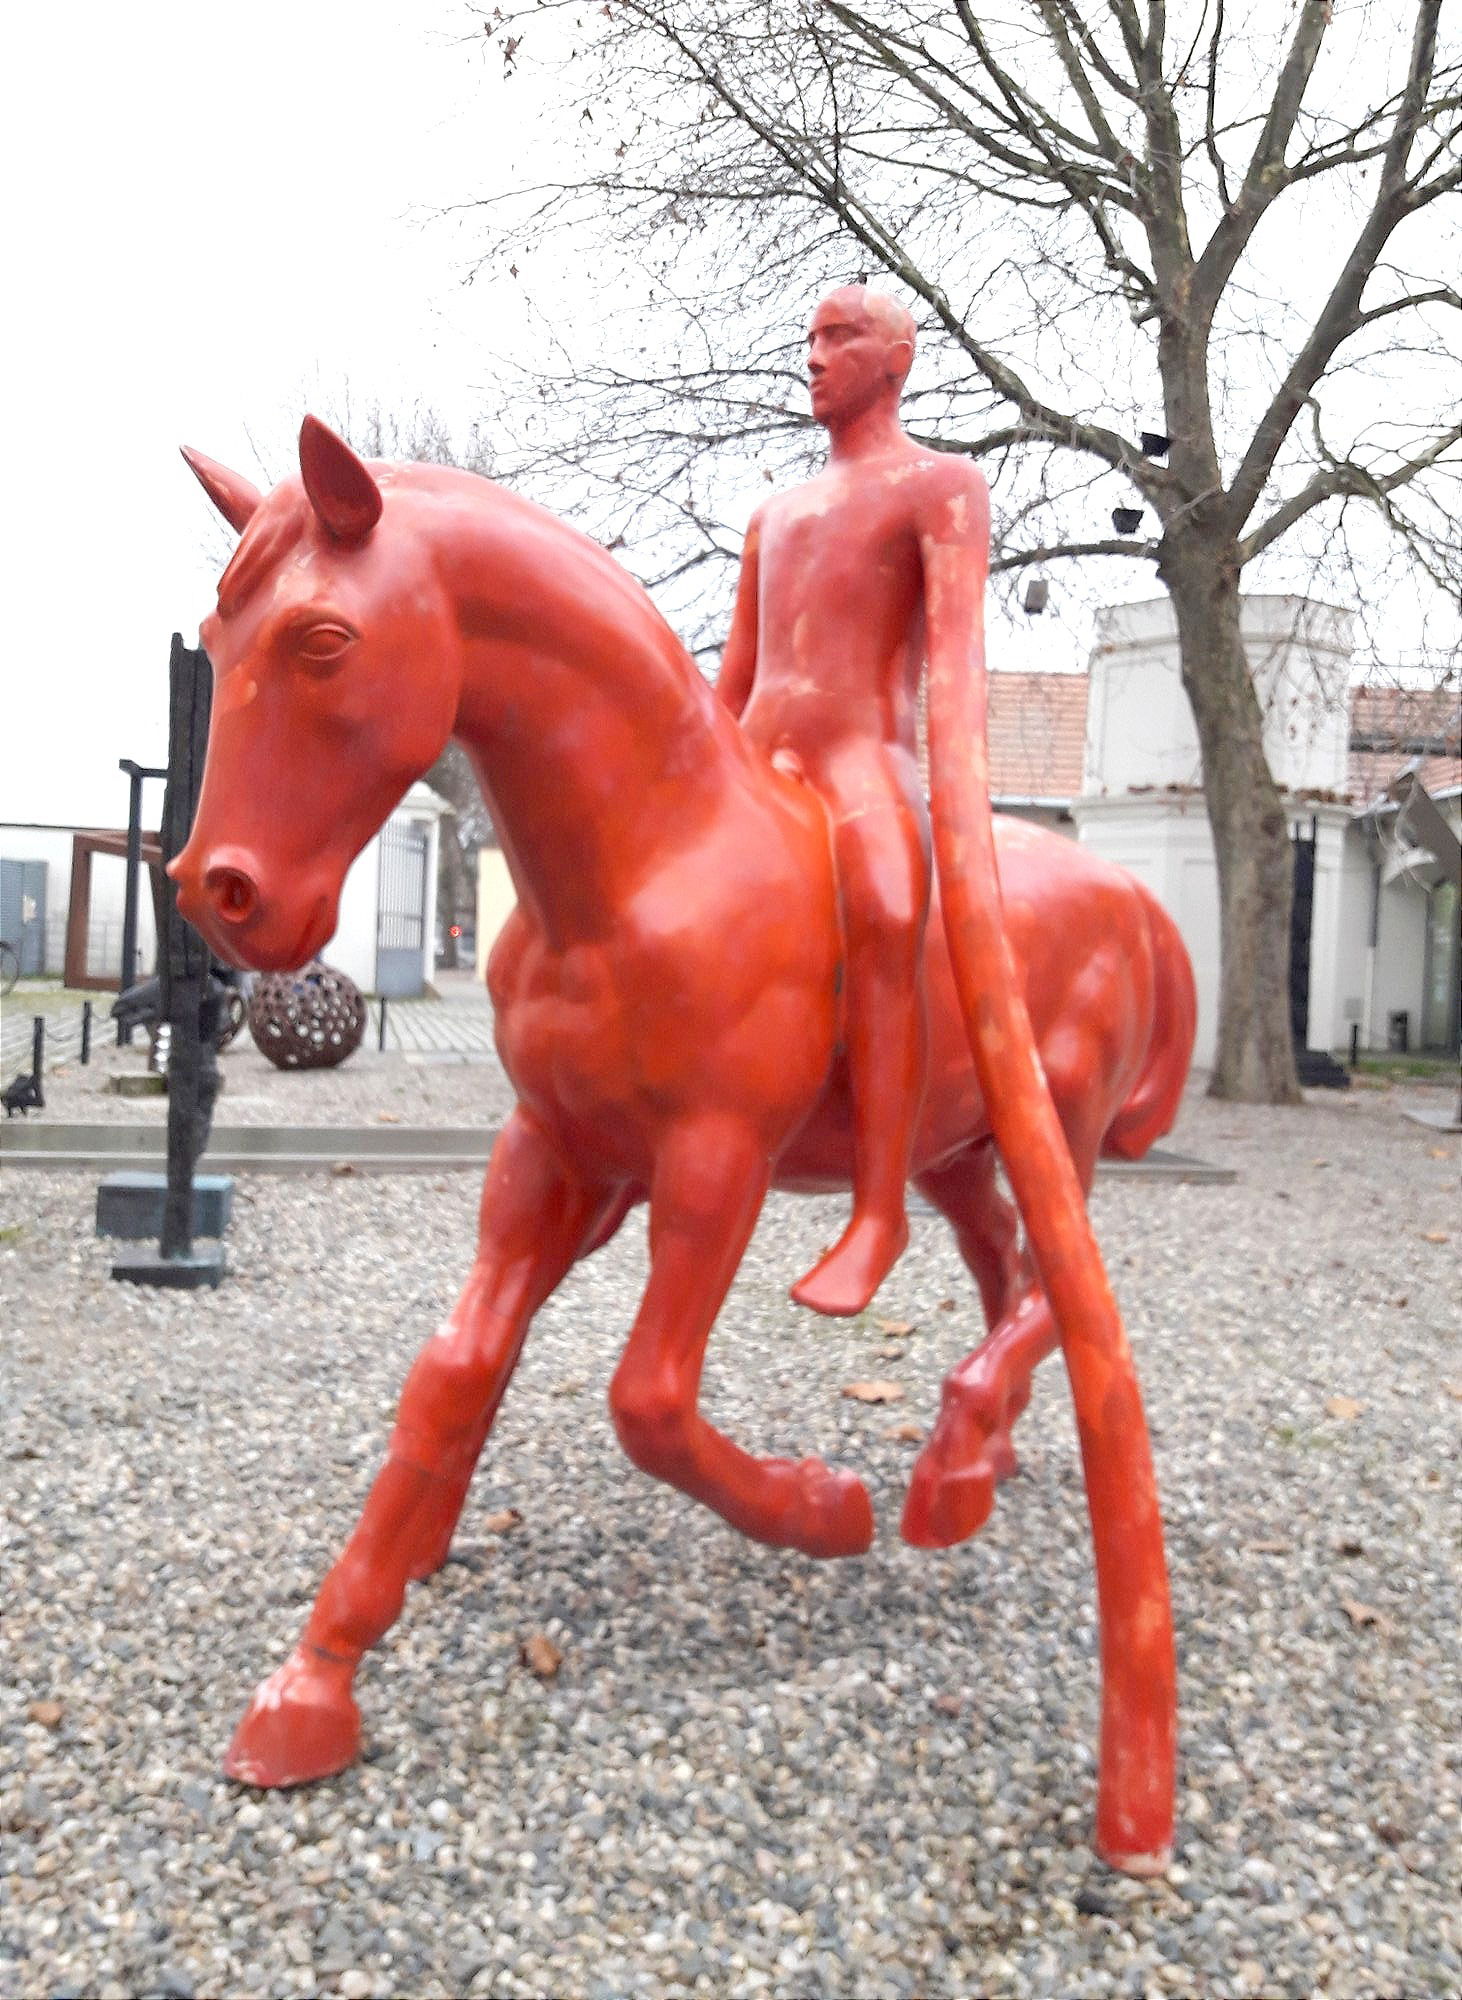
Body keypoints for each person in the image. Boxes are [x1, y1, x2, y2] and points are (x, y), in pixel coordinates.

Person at [717, 283, 991, 1316]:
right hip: (759, 755)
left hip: (859, 760)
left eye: (840, 338)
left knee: (882, 907)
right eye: (810, 337)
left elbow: (956, 672)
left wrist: (958, 814)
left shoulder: (940, 487)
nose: (815, 356)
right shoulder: (772, 515)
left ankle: (879, 1208)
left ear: (896, 358)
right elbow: (731, 680)